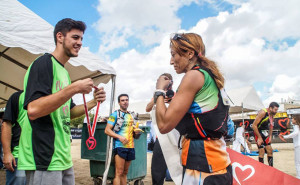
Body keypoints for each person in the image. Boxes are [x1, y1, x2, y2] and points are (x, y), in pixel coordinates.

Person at [18, 18, 106, 185]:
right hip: (44, 158)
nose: (80, 43)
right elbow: (34, 110)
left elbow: (69, 112)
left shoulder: (64, 73)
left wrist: (93, 102)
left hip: (62, 157)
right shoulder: (43, 63)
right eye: (75, 37)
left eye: (81, 39)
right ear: (60, 37)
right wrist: (73, 88)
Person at [155, 33, 232, 184]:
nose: (171, 61)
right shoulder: (209, 75)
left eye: (173, 55)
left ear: (190, 53)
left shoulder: (193, 76)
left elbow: (164, 125)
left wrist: (159, 91)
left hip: (203, 166)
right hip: (217, 162)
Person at [105, 94, 140, 185]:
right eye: (122, 100)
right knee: (119, 173)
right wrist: (119, 137)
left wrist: (136, 133)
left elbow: (136, 134)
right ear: (119, 102)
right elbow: (107, 130)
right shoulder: (115, 114)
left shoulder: (132, 115)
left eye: (126, 100)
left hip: (130, 146)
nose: (125, 102)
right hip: (120, 147)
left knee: (125, 173)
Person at [146, 73, 174, 185]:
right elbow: (147, 108)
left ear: (170, 82)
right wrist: (159, 94)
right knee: (157, 170)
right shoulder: (157, 95)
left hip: (175, 137)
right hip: (161, 138)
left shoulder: (177, 94)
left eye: (165, 80)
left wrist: (171, 98)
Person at [1, 91, 26, 185]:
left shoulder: (49, 96)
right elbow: (6, 124)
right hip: (19, 156)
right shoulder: (18, 97)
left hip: (41, 157)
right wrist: (7, 153)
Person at [252, 102, 279, 166]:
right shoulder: (263, 112)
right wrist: (259, 137)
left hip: (265, 132)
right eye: (275, 110)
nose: (276, 111)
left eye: (277, 110)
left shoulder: (272, 114)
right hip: (257, 132)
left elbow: (271, 126)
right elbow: (254, 125)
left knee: (270, 150)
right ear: (270, 108)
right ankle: (262, 168)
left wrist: (270, 136)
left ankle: (271, 168)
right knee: (261, 151)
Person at [280, 114, 300, 179]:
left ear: (296, 120)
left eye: (293, 118)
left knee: (297, 162)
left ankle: (298, 177)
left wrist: (285, 136)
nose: (292, 120)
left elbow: (295, 133)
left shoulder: (296, 126)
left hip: (298, 145)